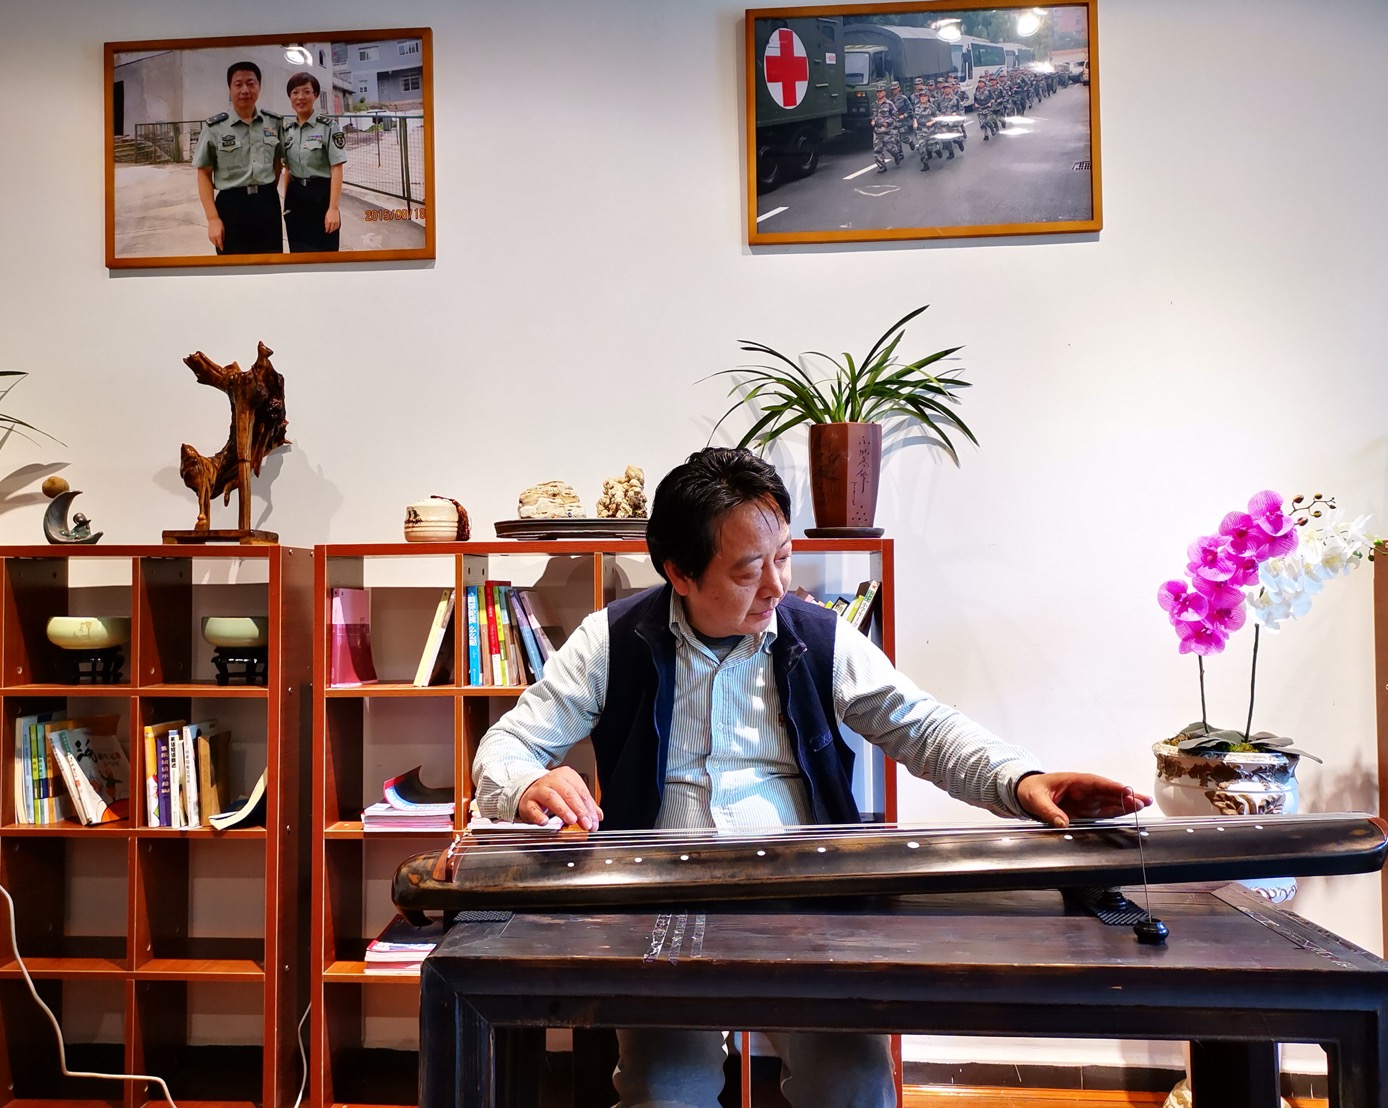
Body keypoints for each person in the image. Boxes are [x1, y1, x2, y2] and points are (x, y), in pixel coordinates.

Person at [472, 447, 1150, 1108]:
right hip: (661, 908)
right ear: (679, 572)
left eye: (783, 556)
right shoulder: (610, 641)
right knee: (663, 1092)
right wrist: (527, 783)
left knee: (853, 1087)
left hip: (806, 904)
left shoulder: (818, 638)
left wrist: (1021, 780)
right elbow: (506, 746)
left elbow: (923, 727)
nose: (775, 585)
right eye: (748, 570)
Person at [193, 61, 284, 254]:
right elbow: (204, 173)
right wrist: (213, 219)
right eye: (238, 84)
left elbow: (278, 163)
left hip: (267, 204)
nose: (245, 90)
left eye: (251, 83)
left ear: (259, 87)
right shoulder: (215, 127)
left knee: (271, 263)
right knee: (233, 266)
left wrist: (266, 190)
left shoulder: (273, 122)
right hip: (231, 207)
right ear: (230, 88)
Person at [280, 72, 347, 252]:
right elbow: (288, 169)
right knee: (298, 253)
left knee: (326, 254)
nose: (300, 97)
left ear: (315, 95)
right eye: (295, 92)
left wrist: (333, 208)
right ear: (290, 97)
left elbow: (337, 168)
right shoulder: (288, 131)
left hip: (321, 197)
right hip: (296, 198)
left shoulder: (328, 127)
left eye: (306, 91)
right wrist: (286, 203)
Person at [870, 83, 902, 174]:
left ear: (884, 92)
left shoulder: (889, 104)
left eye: (880, 91)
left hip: (887, 131)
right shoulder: (874, 105)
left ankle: (896, 155)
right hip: (877, 131)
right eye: (877, 92)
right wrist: (873, 120)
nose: (879, 93)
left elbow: (895, 116)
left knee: (890, 148)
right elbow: (873, 115)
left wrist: (888, 123)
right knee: (877, 150)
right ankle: (882, 166)